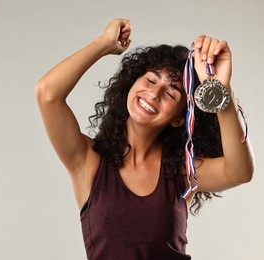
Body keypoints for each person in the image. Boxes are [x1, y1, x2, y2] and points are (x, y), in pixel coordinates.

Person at [35, 19, 254, 260]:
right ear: (131, 83)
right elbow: (47, 94)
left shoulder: (181, 170)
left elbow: (239, 172)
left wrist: (219, 88)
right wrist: (104, 44)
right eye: (150, 80)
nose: (154, 93)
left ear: (179, 119)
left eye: (171, 93)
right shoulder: (88, 160)